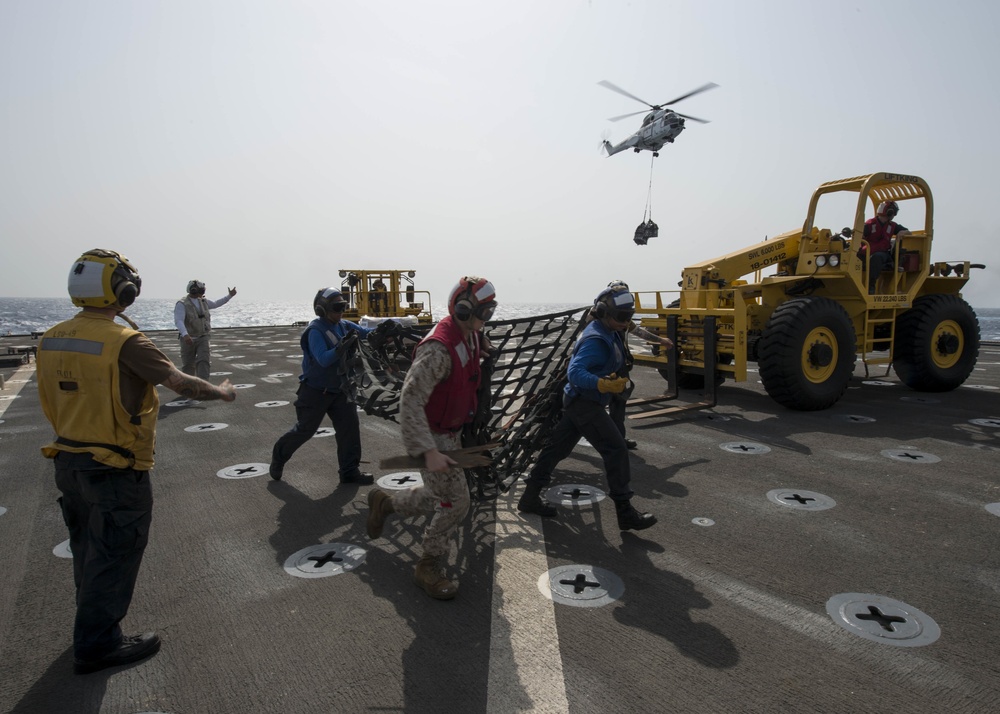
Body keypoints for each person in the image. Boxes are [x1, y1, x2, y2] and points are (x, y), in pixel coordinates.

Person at [37, 249, 236, 675]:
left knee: (87, 548)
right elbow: (181, 383)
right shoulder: (124, 341)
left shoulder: (50, 337)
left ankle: (89, 624)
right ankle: (97, 644)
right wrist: (221, 392)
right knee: (116, 552)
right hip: (113, 465)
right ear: (123, 291)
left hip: (67, 458)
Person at [365, 276, 497, 600]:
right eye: (482, 313)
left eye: (490, 313)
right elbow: (410, 400)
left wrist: (483, 348)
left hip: (452, 432)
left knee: (439, 496)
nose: (484, 321)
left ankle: (386, 504)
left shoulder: (471, 333)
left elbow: (467, 361)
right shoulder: (438, 349)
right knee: (456, 502)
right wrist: (427, 451)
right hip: (433, 434)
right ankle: (429, 564)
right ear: (463, 311)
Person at [517, 284, 657, 531]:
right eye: (622, 317)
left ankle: (529, 497)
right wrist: (602, 384)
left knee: (555, 450)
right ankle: (625, 512)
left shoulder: (610, 330)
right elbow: (575, 372)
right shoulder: (596, 337)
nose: (626, 322)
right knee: (616, 449)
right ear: (604, 312)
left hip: (579, 402)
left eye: (629, 316)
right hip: (585, 404)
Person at [269, 287, 375, 485]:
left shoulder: (344, 326)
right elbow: (323, 359)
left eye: (343, 306)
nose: (341, 311)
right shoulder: (315, 331)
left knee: (349, 430)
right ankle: (279, 455)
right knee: (305, 431)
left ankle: (349, 471)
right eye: (337, 307)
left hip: (341, 390)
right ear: (322, 309)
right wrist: (341, 347)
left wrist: (385, 329)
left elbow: (365, 333)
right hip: (316, 392)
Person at [591, 280, 673, 451]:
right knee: (588, 408)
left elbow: (639, 332)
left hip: (619, 368)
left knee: (618, 408)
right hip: (599, 370)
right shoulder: (597, 318)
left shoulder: (622, 318)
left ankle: (618, 440)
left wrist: (661, 340)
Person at [173, 279, 237, 380]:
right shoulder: (182, 304)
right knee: (188, 365)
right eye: (201, 290)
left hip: (203, 337)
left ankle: (203, 385)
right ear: (194, 290)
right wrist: (185, 335)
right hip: (188, 338)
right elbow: (179, 321)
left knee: (204, 360)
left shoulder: (203, 301)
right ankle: (189, 387)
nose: (202, 293)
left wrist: (230, 296)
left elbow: (216, 303)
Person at [856, 201, 910, 293]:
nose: (894, 215)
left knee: (876, 257)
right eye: (894, 212)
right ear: (889, 212)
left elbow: (908, 232)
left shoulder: (892, 226)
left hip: (883, 254)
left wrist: (902, 232)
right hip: (867, 252)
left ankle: (870, 286)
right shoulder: (870, 224)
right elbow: (858, 233)